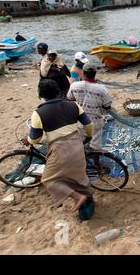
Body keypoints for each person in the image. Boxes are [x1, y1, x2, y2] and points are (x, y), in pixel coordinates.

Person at [23, 79, 95, 220]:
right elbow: (89, 124)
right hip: (77, 146)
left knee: (49, 179)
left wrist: (28, 140)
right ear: (58, 92)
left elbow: (36, 138)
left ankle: (77, 197)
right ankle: (87, 202)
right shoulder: (73, 105)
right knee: (80, 177)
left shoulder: (38, 113)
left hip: (60, 150)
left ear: (41, 95)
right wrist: (88, 137)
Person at [67, 63, 112, 151]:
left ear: (83, 73)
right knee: (95, 145)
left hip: (80, 120)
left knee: (81, 142)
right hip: (96, 121)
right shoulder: (102, 89)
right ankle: (96, 162)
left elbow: (69, 99)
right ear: (95, 73)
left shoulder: (74, 85)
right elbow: (107, 106)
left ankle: (82, 160)